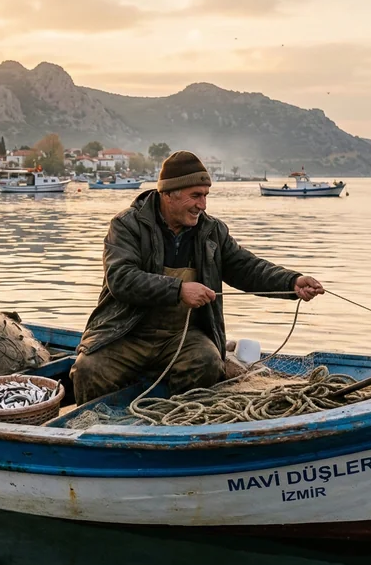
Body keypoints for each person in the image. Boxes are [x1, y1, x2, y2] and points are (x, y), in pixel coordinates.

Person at [70, 151, 325, 404]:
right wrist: (178, 290)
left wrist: (291, 282)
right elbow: (121, 279)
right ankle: (97, 426)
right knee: (89, 369)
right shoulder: (127, 225)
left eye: (205, 196)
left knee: (207, 362)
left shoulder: (212, 230)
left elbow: (246, 267)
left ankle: (178, 422)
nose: (202, 205)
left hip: (182, 335)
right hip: (126, 332)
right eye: (195, 196)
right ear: (168, 194)